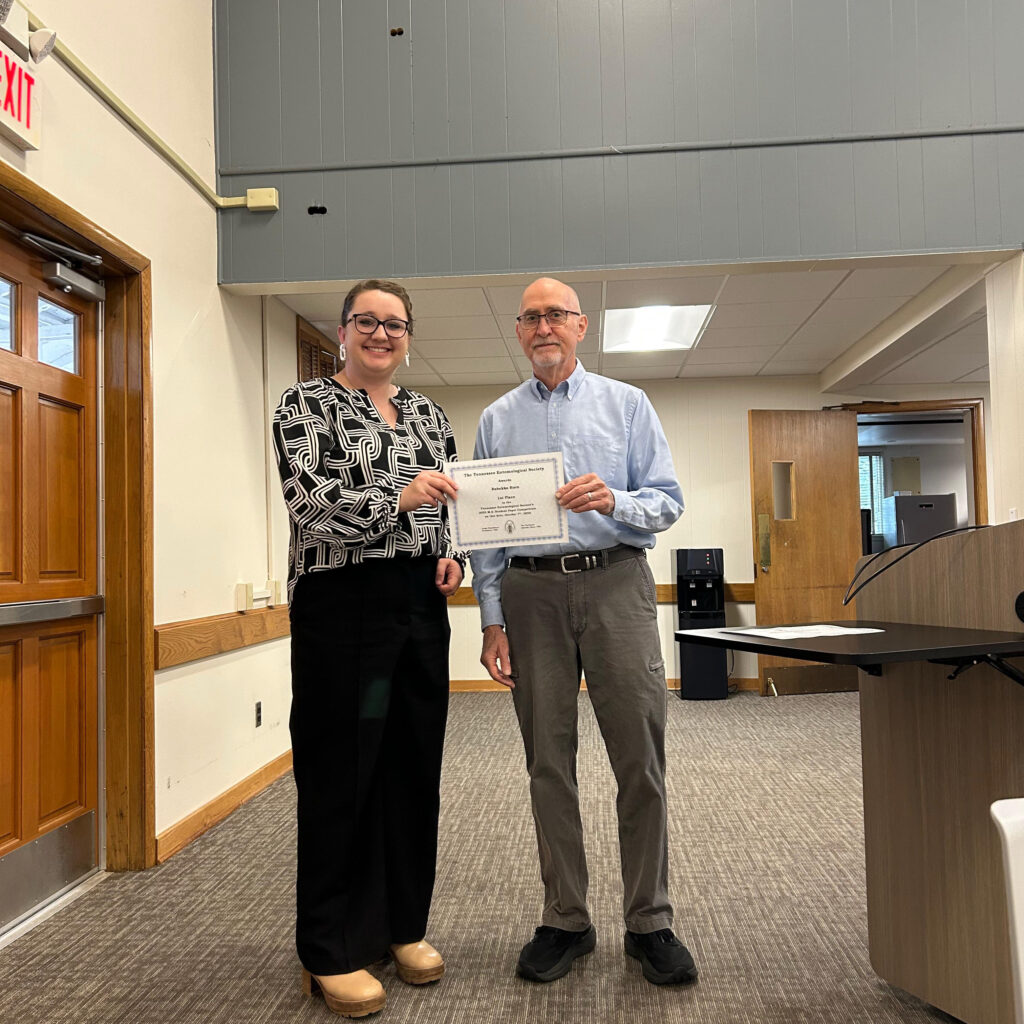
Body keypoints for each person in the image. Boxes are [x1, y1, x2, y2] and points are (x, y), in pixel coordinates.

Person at [470, 277, 695, 987]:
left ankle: (650, 921)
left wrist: (617, 497)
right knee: (547, 762)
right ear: (519, 331)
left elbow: (667, 503)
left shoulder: (629, 405)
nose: (544, 326)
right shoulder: (496, 420)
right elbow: (486, 538)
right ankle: (565, 918)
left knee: (640, 757)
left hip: (616, 581)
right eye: (532, 316)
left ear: (581, 326)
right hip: (531, 594)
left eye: (556, 315)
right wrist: (492, 617)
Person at [273, 279, 463, 1017]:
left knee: (412, 768)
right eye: (366, 321)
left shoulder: (428, 412)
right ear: (343, 330)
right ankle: (328, 949)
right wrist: (399, 500)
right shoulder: (304, 405)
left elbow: (450, 506)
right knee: (340, 772)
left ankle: (400, 928)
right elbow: (309, 505)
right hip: (342, 606)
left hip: (419, 604)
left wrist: (453, 554)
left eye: (394, 323)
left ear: (408, 334)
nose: (380, 334)